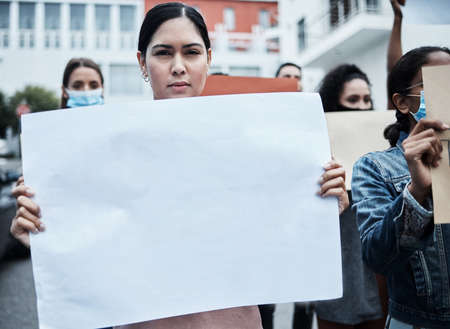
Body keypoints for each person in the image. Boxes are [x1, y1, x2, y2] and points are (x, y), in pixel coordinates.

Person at [9, 3, 350, 328]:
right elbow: (86, 251)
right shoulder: (101, 154)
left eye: (191, 52)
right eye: (163, 53)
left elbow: (278, 234)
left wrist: (318, 205)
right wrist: (43, 236)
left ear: (208, 59)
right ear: (142, 63)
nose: (178, 66)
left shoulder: (254, 146)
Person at [352, 46, 450, 328]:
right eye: (436, 81)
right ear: (402, 102)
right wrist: (417, 191)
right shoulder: (374, 167)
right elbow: (378, 258)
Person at [313, 64, 385, 329]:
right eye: (352, 100)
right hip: (338, 266)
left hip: (374, 271)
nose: (362, 107)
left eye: (367, 100)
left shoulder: (381, 142)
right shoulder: (318, 146)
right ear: (335, 104)